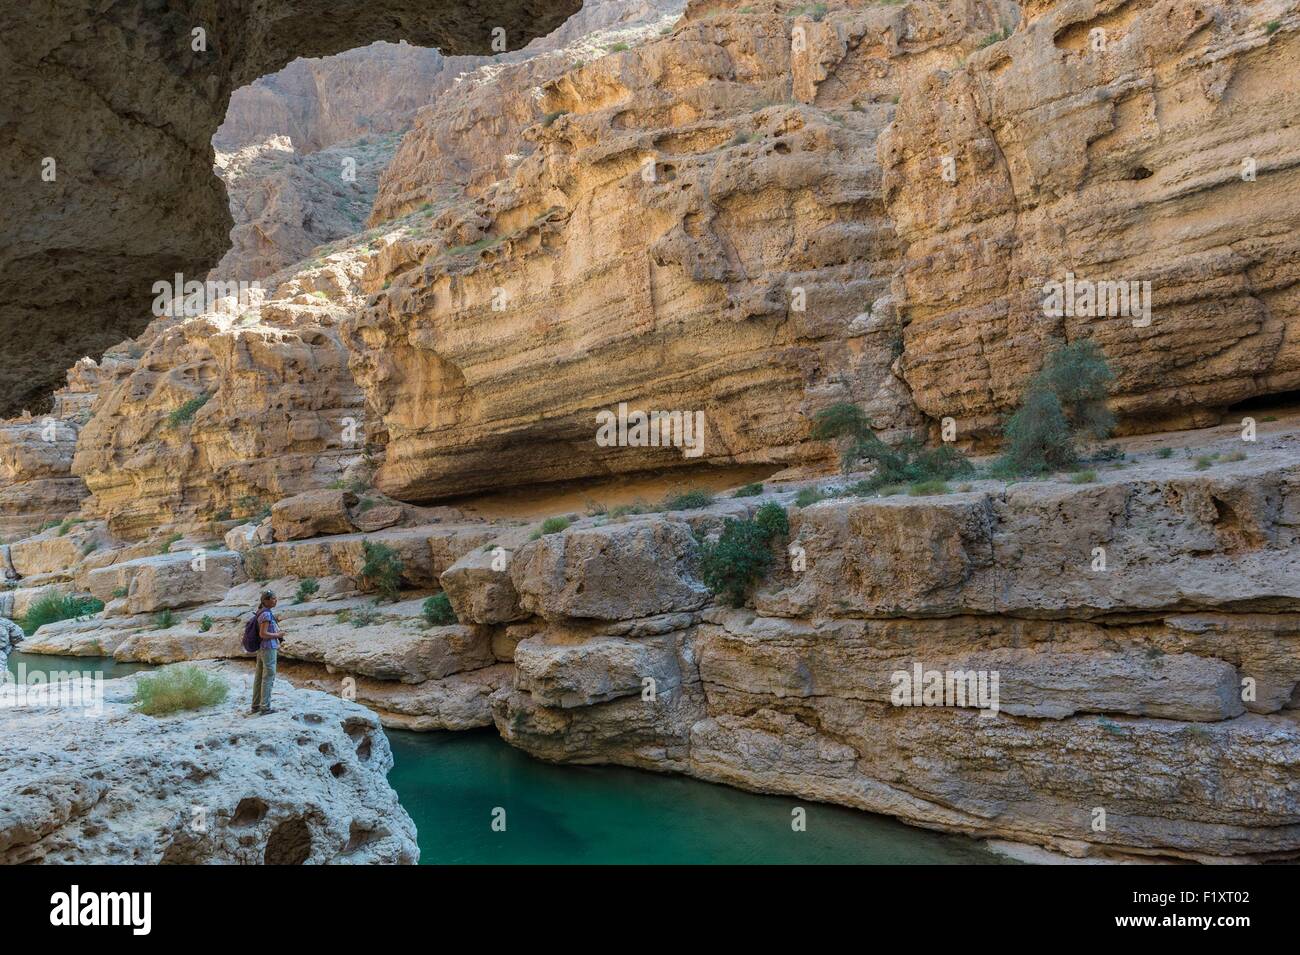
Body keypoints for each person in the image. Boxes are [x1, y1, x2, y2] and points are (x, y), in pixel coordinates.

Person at [250, 590, 284, 715]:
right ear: (266, 600)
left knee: (259, 677)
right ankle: (265, 707)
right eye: (274, 598)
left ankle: (256, 706)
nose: (276, 600)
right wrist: (278, 634)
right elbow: (263, 634)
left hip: (261, 648)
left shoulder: (261, 612)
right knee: (268, 677)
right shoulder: (266, 615)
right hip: (268, 648)